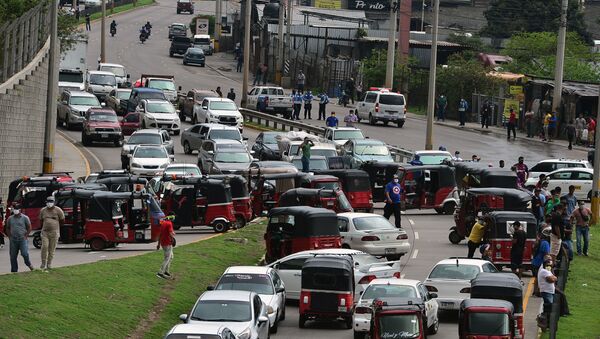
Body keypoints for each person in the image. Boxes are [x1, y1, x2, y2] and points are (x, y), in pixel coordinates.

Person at [5, 204, 34, 272]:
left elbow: (29, 227)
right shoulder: (10, 218)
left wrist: (26, 236)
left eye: (16, 209)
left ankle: (28, 264)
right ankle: (14, 271)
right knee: (13, 256)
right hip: (13, 239)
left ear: (19, 210)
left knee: (24, 253)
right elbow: (7, 228)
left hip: (22, 239)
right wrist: (9, 236)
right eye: (13, 209)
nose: (15, 210)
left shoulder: (25, 218)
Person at [39, 196, 65, 271]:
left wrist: (55, 225)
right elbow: (40, 220)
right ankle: (43, 263)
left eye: (51, 202)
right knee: (44, 247)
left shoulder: (58, 210)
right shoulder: (43, 210)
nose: (49, 203)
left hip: (54, 232)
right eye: (48, 202)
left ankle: (49, 264)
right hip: (45, 232)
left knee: (51, 249)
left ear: (54, 202)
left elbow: (62, 220)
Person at [538, 256, 557, 325]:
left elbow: (552, 276)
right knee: (549, 306)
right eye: (549, 260)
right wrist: (554, 278)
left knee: (548, 307)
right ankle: (543, 321)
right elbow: (551, 279)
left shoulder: (547, 270)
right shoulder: (544, 271)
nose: (551, 261)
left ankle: (546, 322)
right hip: (546, 291)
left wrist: (553, 277)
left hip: (549, 291)